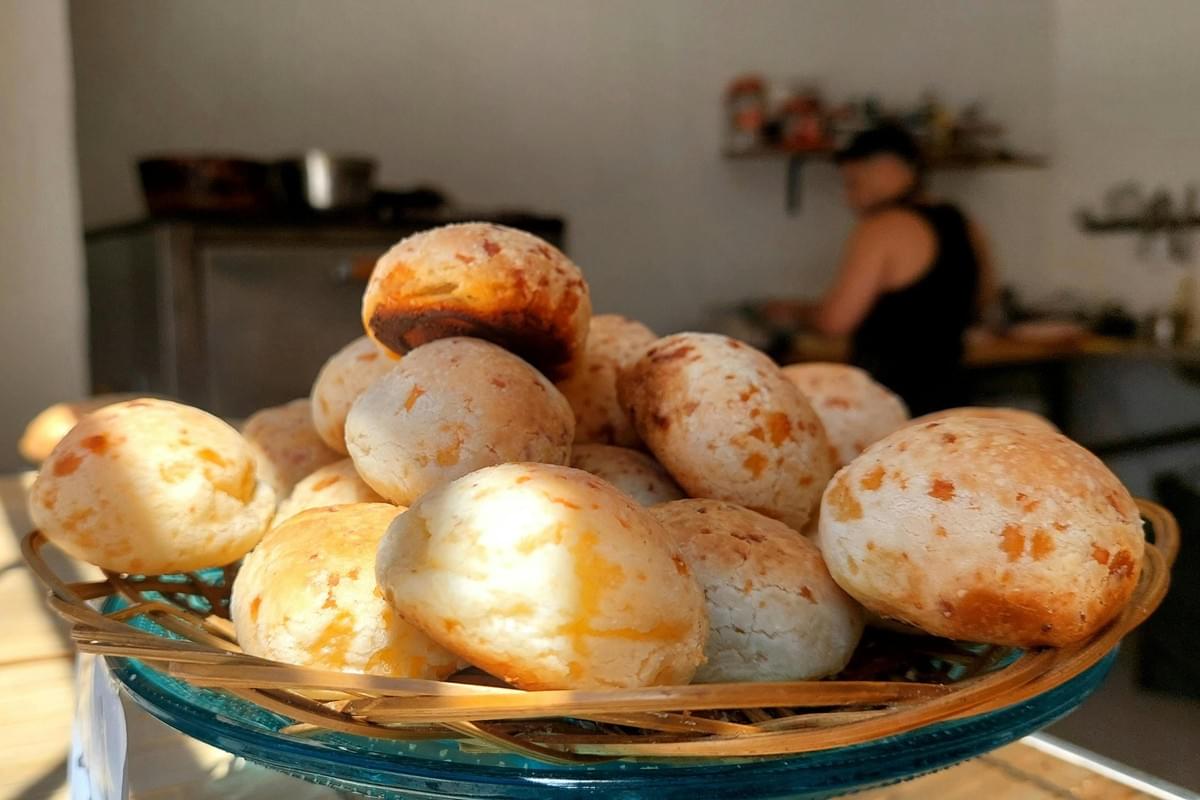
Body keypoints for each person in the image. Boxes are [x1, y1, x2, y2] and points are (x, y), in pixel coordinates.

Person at [783, 123, 996, 415]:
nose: (850, 198)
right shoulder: (964, 223)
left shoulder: (882, 227)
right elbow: (984, 298)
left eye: (853, 182)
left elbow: (836, 322)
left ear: (887, 167)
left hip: (890, 401)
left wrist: (794, 313)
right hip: (952, 396)